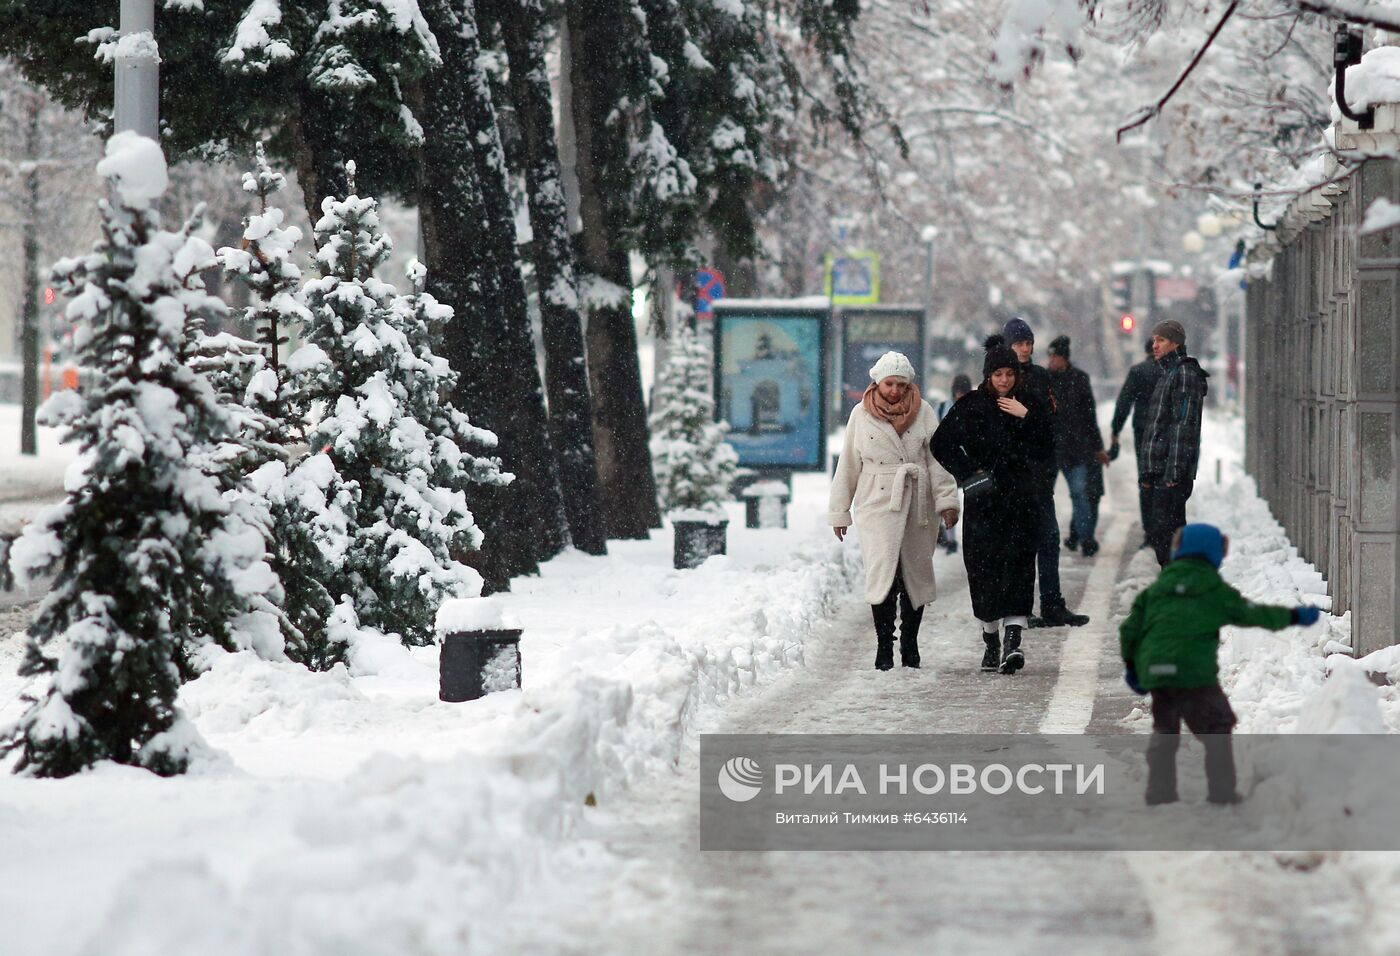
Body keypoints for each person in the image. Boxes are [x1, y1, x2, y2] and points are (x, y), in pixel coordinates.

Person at [1119, 523, 1321, 804]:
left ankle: (1159, 790)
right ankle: (1221, 791)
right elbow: (1253, 613)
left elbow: (1130, 629)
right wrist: (1295, 617)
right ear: (1214, 552)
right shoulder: (1212, 589)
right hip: (1194, 674)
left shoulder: (1158, 588)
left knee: (1165, 729)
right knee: (1217, 725)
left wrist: (1132, 665)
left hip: (1158, 671)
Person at [830, 351, 961, 671]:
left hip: (918, 502)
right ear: (877, 381)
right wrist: (839, 511)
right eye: (890, 383)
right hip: (877, 503)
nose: (895, 391)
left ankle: (910, 643)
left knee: (914, 575)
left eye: (901, 384)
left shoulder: (925, 412)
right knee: (883, 575)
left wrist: (946, 500)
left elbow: (937, 460)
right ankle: (884, 645)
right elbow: (848, 463)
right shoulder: (860, 415)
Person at [932, 335, 1053, 674]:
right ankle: (990, 641)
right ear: (988, 376)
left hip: (1021, 501)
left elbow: (1048, 446)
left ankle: (1013, 642)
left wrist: (1027, 416)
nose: (1004, 380)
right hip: (984, 502)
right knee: (983, 571)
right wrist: (970, 474)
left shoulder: (1029, 402)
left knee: (1018, 568)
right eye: (997, 374)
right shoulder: (971, 405)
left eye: (1009, 374)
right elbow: (941, 444)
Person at [1000, 317, 1089, 627]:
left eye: (1028, 343)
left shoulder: (1040, 377)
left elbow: (1054, 421)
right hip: (1011, 476)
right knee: (1016, 545)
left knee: (1049, 538)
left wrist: (1029, 417)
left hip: (1039, 473)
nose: (1024, 349)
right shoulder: (998, 378)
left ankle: (1052, 604)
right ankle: (1016, 612)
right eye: (1019, 343)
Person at [1139, 320, 1209, 567]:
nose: (1154, 345)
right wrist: (1148, 471)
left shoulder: (1184, 373)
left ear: (1176, 343)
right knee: (1163, 536)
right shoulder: (1168, 372)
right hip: (1160, 471)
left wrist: (1174, 473)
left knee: (1168, 537)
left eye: (1161, 340)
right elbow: (1158, 426)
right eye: (1154, 340)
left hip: (1171, 473)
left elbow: (1183, 427)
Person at [1046, 336, 1110, 557]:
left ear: (1064, 358)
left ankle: (1086, 538)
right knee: (1043, 495)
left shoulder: (1079, 379)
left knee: (1080, 494)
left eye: (1054, 356)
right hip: (1050, 448)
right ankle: (1042, 538)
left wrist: (1098, 447)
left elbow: (1090, 416)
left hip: (1076, 449)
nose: (1051, 360)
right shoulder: (1044, 380)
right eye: (1050, 356)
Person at [1109, 338, 1164, 546]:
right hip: (1166, 434)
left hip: (1143, 432)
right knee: (1166, 480)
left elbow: (1124, 402)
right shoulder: (1170, 371)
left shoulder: (1138, 371)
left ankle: (1150, 532)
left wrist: (1116, 429)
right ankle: (1166, 530)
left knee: (1146, 480)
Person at [934, 374, 973, 555]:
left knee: (972, 501)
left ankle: (967, 538)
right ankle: (950, 539)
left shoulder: (974, 408)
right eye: (958, 392)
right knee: (949, 500)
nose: (960, 396)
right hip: (947, 463)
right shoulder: (942, 408)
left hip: (968, 463)